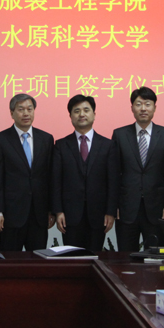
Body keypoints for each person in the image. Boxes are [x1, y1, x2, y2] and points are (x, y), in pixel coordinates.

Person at [112, 86, 164, 252]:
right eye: (138, 104)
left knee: (155, 257)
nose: (143, 108)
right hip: (127, 208)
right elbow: (114, 174)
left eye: (147, 104)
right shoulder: (120, 134)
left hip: (157, 208)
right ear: (132, 108)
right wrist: (113, 206)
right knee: (126, 257)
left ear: (154, 107)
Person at [51, 95, 118, 252]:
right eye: (77, 111)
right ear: (70, 116)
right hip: (70, 216)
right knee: (72, 259)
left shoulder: (108, 145)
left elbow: (113, 181)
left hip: (99, 215)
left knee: (95, 257)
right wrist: (58, 211)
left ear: (94, 114)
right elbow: (55, 181)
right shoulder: (61, 145)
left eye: (86, 110)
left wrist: (110, 212)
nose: (82, 114)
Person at [0, 93, 54, 251]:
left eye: (29, 109)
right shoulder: (0, 140)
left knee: (38, 259)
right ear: (12, 113)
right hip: (11, 215)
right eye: (21, 109)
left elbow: (50, 177)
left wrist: (52, 210)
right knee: (10, 260)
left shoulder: (46, 139)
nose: (26, 113)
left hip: (39, 213)